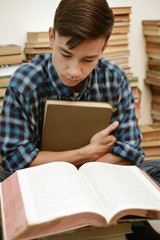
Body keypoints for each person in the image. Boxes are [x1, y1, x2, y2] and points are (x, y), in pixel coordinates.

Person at [0, 0, 145, 173]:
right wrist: (87, 153)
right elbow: (14, 160)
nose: (74, 71)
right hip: (44, 181)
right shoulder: (24, 83)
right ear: (52, 38)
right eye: (65, 54)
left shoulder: (115, 79)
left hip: (99, 177)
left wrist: (76, 166)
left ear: (103, 49)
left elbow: (132, 151)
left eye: (88, 59)